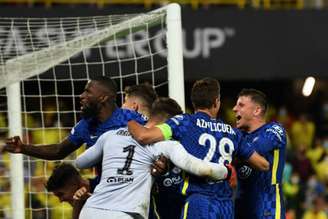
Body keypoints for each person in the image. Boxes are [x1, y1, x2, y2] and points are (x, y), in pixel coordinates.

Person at [2, 76, 146, 218]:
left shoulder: (132, 120)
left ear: (103, 98)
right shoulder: (86, 125)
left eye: (88, 92)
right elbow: (59, 151)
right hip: (108, 194)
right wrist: (23, 148)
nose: (81, 96)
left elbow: (158, 142)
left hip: (138, 194)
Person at [128, 78, 269, 219]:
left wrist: (127, 116)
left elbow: (143, 136)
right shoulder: (232, 133)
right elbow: (263, 165)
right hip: (226, 208)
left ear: (193, 102)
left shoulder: (184, 123)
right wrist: (234, 165)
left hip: (199, 202)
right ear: (216, 102)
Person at [74, 97, 231, 219]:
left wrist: (111, 157)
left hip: (90, 210)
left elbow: (80, 162)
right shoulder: (165, 146)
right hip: (124, 213)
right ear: (169, 123)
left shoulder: (110, 136)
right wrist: (227, 172)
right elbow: (202, 168)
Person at [232, 88, 287, 219]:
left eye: (241, 105)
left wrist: (231, 149)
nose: (234, 109)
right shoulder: (238, 135)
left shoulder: (274, 129)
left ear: (256, 110)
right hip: (240, 209)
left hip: (268, 207)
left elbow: (257, 148)